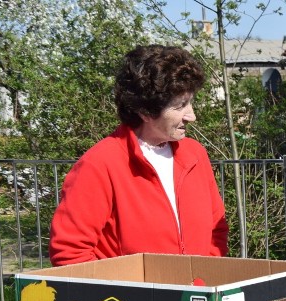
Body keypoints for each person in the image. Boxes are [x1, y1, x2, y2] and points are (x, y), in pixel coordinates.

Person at [49, 45, 228, 266]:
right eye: (180, 106)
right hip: (129, 300)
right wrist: (121, 297)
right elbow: (70, 252)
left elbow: (216, 230)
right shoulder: (100, 164)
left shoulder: (195, 154)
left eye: (190, 102)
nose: (191, 116)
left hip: (191, 297)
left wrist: (202, 281)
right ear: (145, 112)